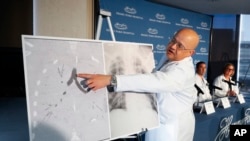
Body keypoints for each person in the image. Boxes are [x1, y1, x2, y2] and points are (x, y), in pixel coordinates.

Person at [77, 28, 199, 141]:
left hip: (171, 129)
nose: (172, 46)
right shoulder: (171, 57)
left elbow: (156, 81)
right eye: (173, 40)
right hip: (159, 121)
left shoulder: (183, 71)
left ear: (190, 53)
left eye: (180, 46)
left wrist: (111, 79)